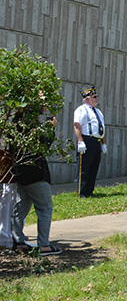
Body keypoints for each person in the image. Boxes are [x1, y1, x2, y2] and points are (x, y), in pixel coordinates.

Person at [10, 109, 62, 255]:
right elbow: (41, 147)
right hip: (36, 174)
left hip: (20, 173)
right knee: (45, 208)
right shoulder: (30, 128)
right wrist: (51, 129)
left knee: (20, 208)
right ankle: (44, 245)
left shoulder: (14, 127)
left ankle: (18, 242)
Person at [73, 86, 106, 198]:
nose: (97, 99)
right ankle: (82, 193)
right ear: (87, 98)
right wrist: (80, 141)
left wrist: (103, 143)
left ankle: (90, 191)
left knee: (94, 167)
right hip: (87, 140)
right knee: (84, 168)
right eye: (94, 97)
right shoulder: (81, 110)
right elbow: (77, 125)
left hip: (96, 142)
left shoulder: (98, 112)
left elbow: (102, 128)